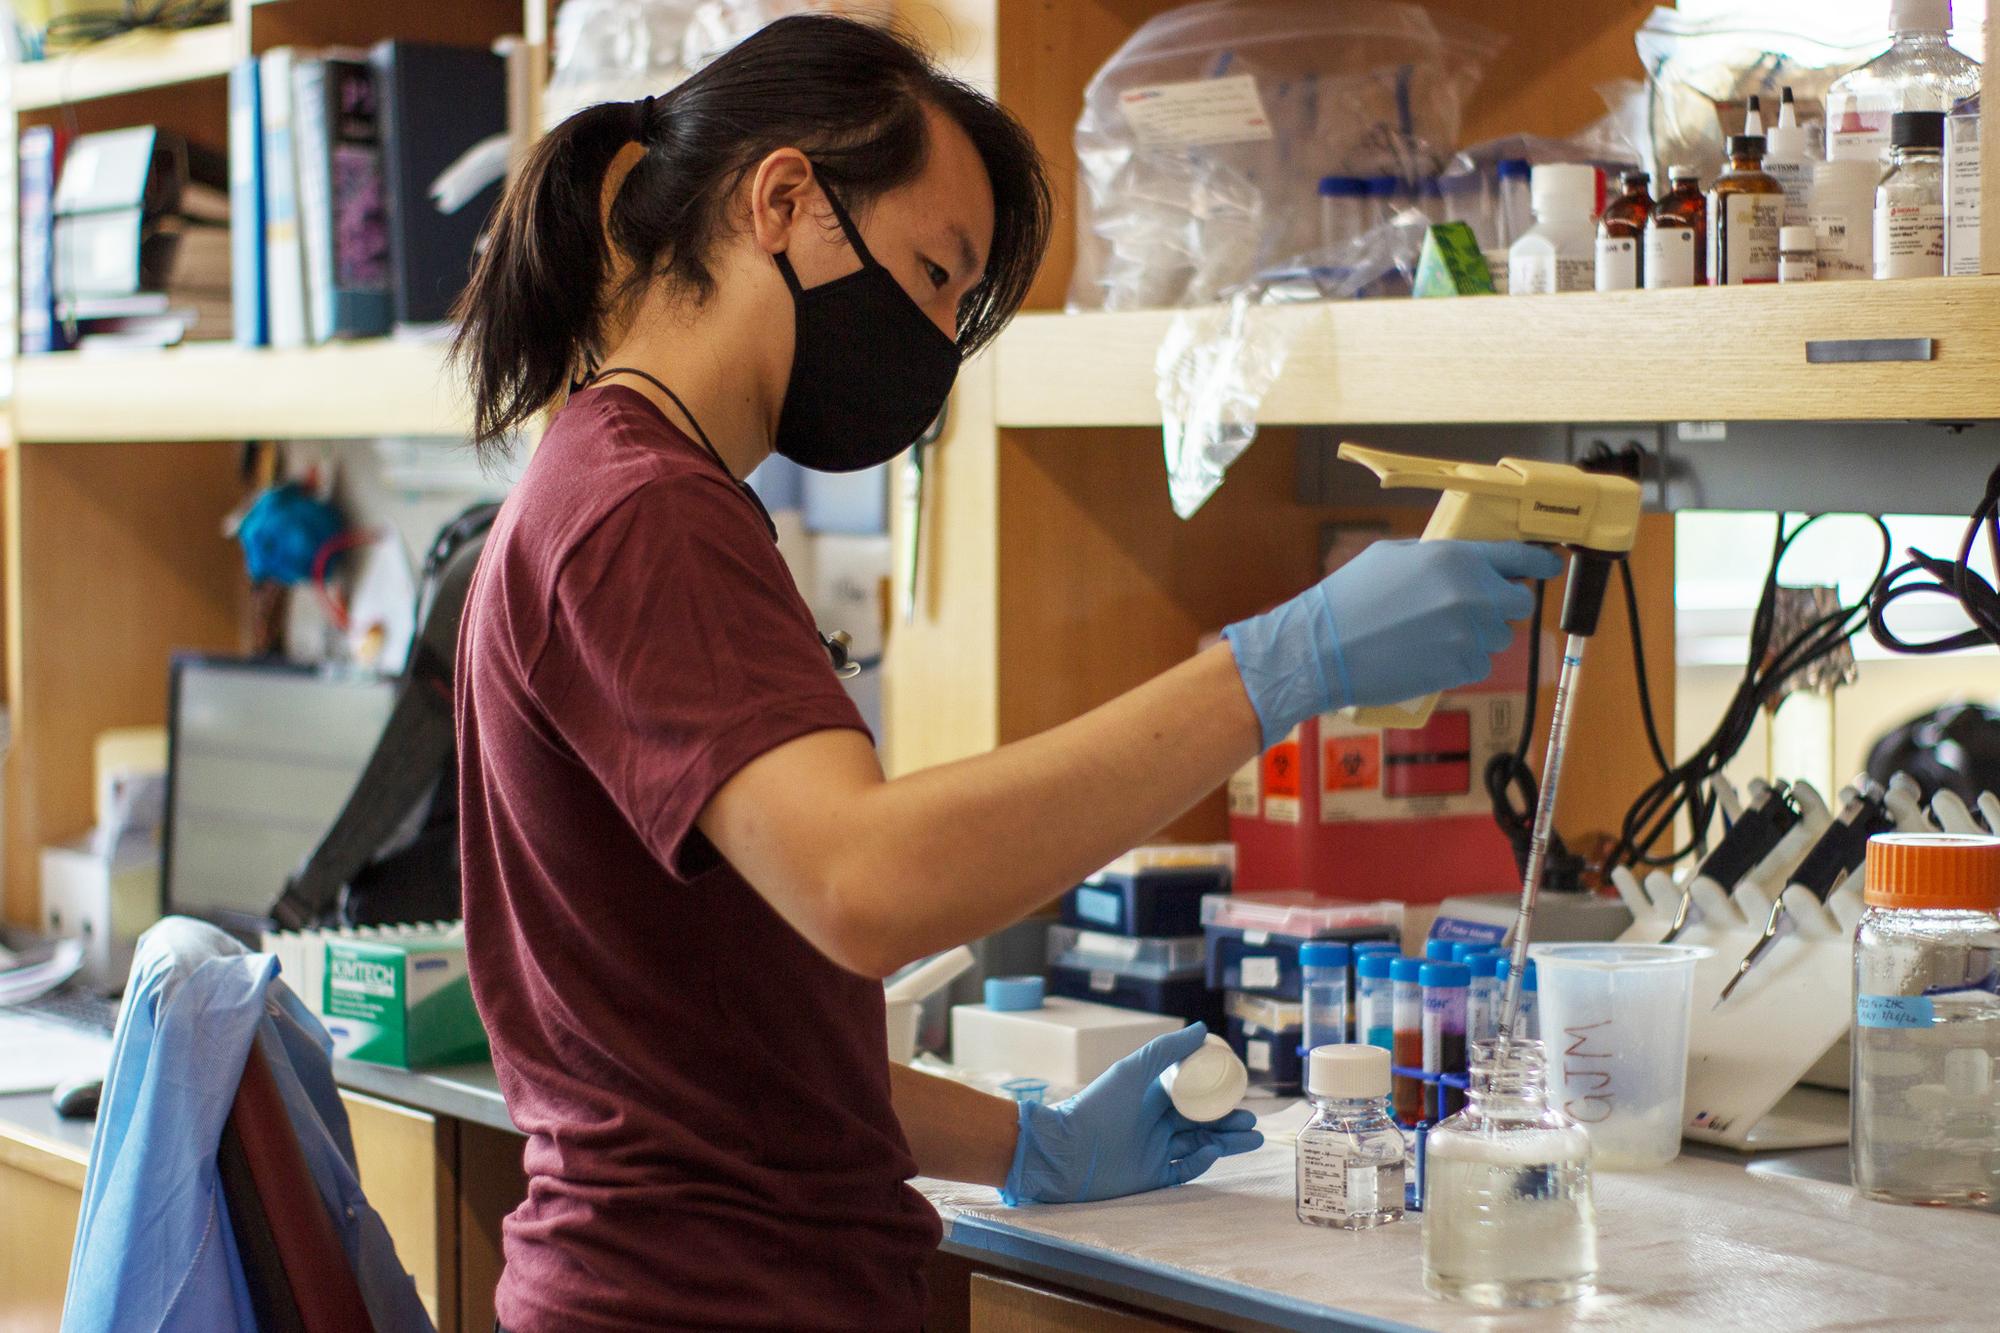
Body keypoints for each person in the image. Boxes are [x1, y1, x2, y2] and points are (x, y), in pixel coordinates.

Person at [450, 15, 1560, 1332]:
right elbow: (866, 881)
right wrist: (1279, 665)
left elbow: (721, 1042)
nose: (932, 340)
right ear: (785, 199)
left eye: (955, 311)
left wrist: (1021, 1142)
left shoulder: (622, 485)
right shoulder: (643, 512)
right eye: (933, 273)